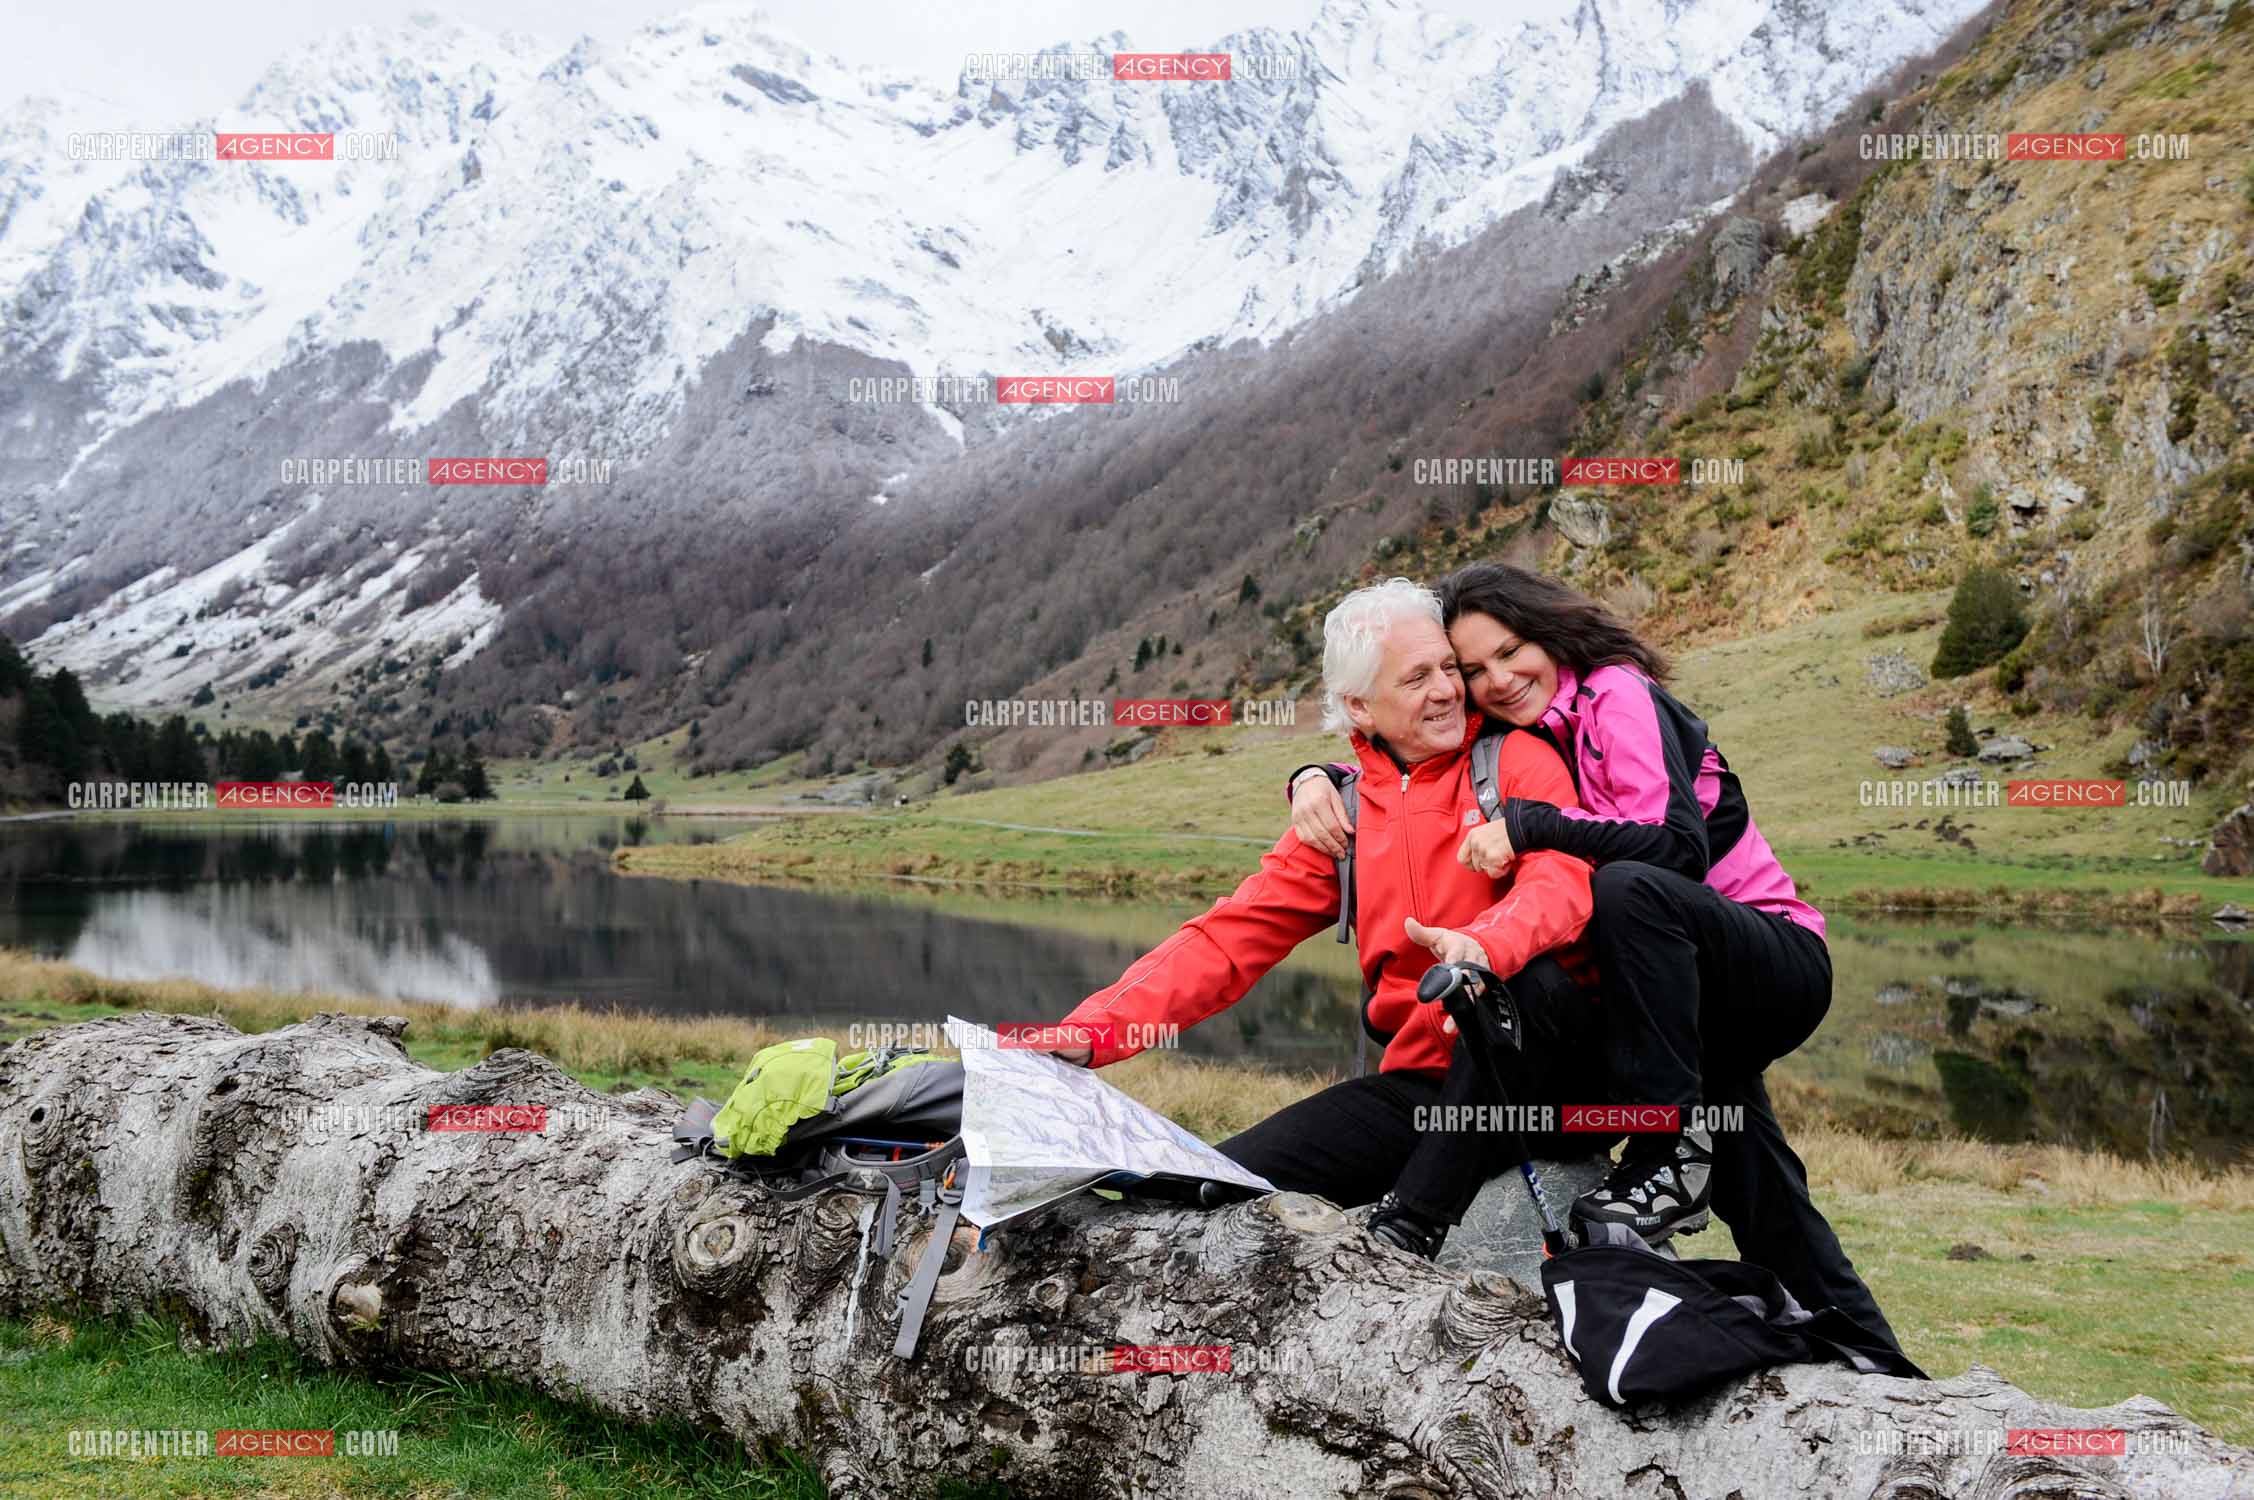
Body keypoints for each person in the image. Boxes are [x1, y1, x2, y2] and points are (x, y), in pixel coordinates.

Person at [1288, 561, 1902, 1350]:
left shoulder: (1617, 692)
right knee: (1764, 1193)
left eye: (1511, 652)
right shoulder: (1535, 734)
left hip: (1769, 960)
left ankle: (1660, 1152)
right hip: (1684, 995)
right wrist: (1317, 774)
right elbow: (1413, 758)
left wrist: (1535, 828)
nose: (1497, 680)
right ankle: (1878, 1364)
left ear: (1550, 633)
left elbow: (1674, 850)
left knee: (1626, 892)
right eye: (1472, 670)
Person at [1048, 577, 1602, 1254]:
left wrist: (1484, 946)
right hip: (1420, 1086)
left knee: (1521, 986)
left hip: (1540, 1074)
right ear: (1359, 707)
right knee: (1206, 1184)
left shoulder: (1516, 761)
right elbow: (1228, 941)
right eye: (1417, 678)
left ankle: (1409, 1227)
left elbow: (1564, 881)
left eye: (1447, 669)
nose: (1447, 690)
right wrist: (1088, 1033)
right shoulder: (1345, 814)